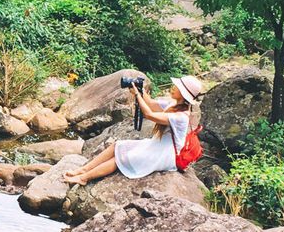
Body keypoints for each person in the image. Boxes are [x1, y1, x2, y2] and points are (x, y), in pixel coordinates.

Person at [63, 75, 204, 185]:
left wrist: (137, 95)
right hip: (157, 145)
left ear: (184, 95)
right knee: (117, 146)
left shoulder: (181, 117)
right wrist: (139, 90)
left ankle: (83, 178)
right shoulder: (172, 104)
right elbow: (151, 103)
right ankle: (83, 169)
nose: (173, 87)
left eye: (177, 87)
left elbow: (149, 114)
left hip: (166, 155)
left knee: (121, 159)